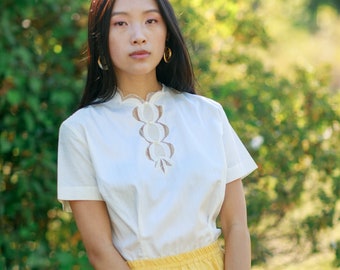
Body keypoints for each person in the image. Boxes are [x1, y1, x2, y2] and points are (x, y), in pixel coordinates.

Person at [57, 0, 257, 269]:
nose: (138, 36)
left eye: (151, 21)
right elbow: (100, 251)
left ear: (167, 33)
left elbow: (236, 226)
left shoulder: (208, 115)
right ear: (101, 37)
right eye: (120, 23)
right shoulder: (80, 130)